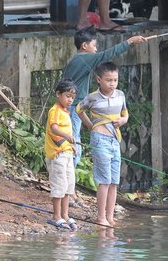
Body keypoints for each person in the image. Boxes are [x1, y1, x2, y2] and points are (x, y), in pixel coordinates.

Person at [62, 27, 146, 170]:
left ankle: (68, 185)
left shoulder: (76, 60)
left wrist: (90, 125)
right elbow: (108, 54)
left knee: (72, 143)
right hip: (72, 108)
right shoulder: (84, 58)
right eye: (94, 45)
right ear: (84, 46)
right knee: (74, 146)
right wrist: (130, 41)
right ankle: (69, 187)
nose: (96, 49)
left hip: (70, 107)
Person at [76, 61, 127, 227]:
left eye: (115, 80)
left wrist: (123, 120)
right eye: (109, 80)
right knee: (104, 180)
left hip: (115, 141)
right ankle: (101, 217)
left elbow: (125, 113)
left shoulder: (120, 95)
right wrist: (91, 126)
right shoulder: (92, 97)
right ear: (99, 79)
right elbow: (79, 110)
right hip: (100, 140)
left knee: (114, 181)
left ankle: (110, 217)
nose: (112, 84)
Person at [44, 79, 78, 230]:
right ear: (58, 94)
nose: (70, 100)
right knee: (59, 185)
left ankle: (65, 215)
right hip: (57, 155)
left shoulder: (65, 111)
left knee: (69, 185)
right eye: (67, 96)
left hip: (67, 153)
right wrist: (66, 136)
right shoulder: (55, 110)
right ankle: (56, 216)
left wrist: (71, 146)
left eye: (72, 97)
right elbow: (54, 128)